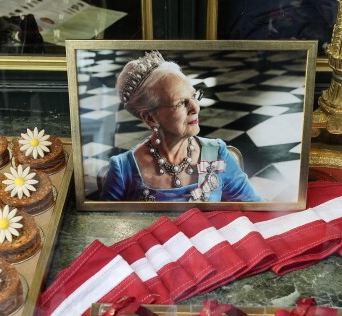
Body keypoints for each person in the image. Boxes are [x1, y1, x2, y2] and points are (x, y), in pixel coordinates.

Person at [100, 51, 263, 202]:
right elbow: (104, 228)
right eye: (180, 103)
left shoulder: (217, 154)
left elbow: (255, 210)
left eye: (193, 96)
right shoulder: (123, 169)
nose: (195, 107)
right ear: (150, 118)